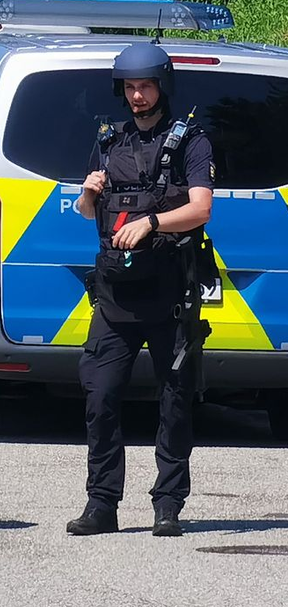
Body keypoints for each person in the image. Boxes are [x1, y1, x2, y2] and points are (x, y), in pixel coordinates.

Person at [68, 42, 214, 539]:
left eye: (145, 86)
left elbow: (200, 208)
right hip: (115, 296)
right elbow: (88, 213)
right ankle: (101, 504)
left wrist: (151, 222)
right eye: (130, 87)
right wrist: (87, 194)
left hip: (170, 292)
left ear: (162, 87)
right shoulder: (109, 141)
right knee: (100, 396)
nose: (137, 95)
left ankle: (168, 504)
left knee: (174, 400)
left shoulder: (190, 142)